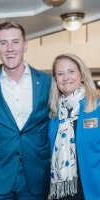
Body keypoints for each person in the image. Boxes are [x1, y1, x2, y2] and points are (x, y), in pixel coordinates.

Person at [0, 21, 51, 200]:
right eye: (3, 43)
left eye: (15, 42)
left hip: (36, 172)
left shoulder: (47, 82)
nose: (10, 48)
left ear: (25, 46)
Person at [48, 53, 100, 200]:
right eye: (60, 73)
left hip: (93, 190)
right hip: (62, 192)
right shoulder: (54, 114)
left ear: (82, 75)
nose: (66, 77)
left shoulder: (97, 107)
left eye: (71, 71)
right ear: (55, 80)